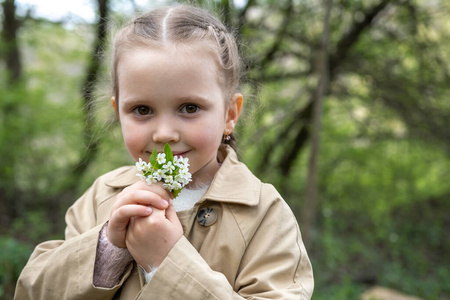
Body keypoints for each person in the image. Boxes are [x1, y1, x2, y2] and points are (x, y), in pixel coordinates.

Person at [15, 4, 314, 299]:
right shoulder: (102, 196)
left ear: (229, 114)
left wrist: (166, 261)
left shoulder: (264, 214)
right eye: (142, 110)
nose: (164, 134)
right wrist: (109, 248)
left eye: (189, 108)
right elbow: (34, 290)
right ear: (118, 112)